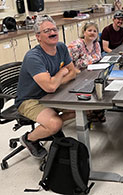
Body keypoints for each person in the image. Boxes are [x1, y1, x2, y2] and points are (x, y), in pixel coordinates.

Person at [15, 15, 77, 159]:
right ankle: (29, 138)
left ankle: (51, 122)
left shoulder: (61, 47)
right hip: (29, 100)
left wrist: (55, 81)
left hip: (51, 94)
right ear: (38, 37)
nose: (52, 33)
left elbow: (73, 72)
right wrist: (61, 72)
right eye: (47, 31)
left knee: (84, 110)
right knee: (55, 124)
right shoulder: (33, 57)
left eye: (54, 29)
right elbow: (50, 87)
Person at [68, 22, 106, 122]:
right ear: (84, 32)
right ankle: (93, 112)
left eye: (95, 31)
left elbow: (98, 58)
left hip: (91, 73)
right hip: (78, 75)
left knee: (102, 86)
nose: (92, 33)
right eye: (89, 30)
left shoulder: (96, 44)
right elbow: (68, 65)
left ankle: (96, 111)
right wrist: (78, 74)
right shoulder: (76, 46)